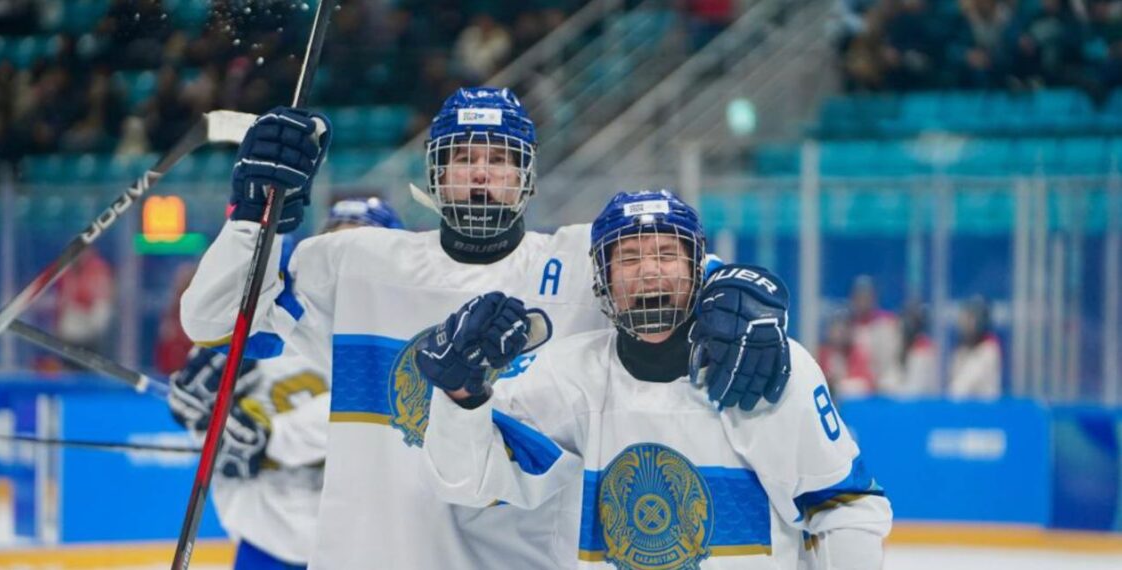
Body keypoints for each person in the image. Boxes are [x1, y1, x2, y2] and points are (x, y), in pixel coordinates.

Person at [180, 89, 787, 568]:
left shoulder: (578, 264)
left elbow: (692, 275)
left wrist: (744, 294)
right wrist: (256, 215)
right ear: (435, 173)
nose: (479, 175)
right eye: (462, 158)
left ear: (525, 174)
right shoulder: (358, 263)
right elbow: (211, 320)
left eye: (498, 159)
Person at [418, 190, 893, 569]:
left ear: (697, 270)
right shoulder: (565, 378)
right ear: (602, 280)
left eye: (667, 254)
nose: (648, 271)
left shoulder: (763, 368)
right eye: (627, 259)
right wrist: (463, 396)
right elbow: (469, 483)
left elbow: (844, 506)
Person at [169, 197, 404, 569]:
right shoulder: (282, 319)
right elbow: (219, 421)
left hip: (364, 547)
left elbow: (370, 414)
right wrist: (210, 423)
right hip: (267, 540)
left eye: (360, 248)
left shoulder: (404, 334)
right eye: (335, 245)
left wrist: (269, 437)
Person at [948, 296, 1001, 400]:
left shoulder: (989, 349)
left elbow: (960, 389)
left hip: (984, 412)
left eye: (970, 319)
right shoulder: (962, 349)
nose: (964, 323)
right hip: (967, 411)